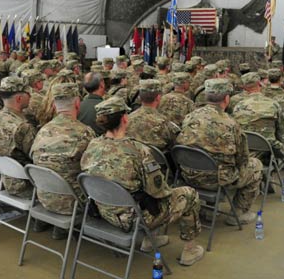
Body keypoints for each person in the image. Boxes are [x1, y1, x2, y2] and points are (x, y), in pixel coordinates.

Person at [81, 97, 204, 266]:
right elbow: (159, 191)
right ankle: (190, 250)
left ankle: (150, 239)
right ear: (125, 118)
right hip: (133, 218)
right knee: (188, 195)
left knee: (141, 195)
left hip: (104, 212)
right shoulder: (138, 151)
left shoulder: (92, 145)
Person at [176, 79, 263, 226]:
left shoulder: (189, 117)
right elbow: (243, 158)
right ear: (227, 98)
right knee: (256, 166)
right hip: (218, 180)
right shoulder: (231, 123)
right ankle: (239, 213)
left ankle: (208, 209)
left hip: (188, 175)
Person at [31, 83, 96, 239]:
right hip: (72, 204)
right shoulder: (85, 133)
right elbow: (94, 170)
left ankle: (52, 224)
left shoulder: (42, 131)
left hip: (44, 198)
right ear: (77, 103)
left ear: (53, 105)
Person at [0, 76, 37, 198]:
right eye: (28, 94)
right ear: (19, 98)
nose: (30, 97)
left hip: (4, 178)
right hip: (26, 184)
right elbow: (36, 158)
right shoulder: (23, 127)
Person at [232, 73, 284, 161]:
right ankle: (281, 162)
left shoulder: (238, 106)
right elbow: (283, 129)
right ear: (260, 84)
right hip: (270, 147)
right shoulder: (273, 104)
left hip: (247, 145)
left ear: (244, 88)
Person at [126, 80, 179, 151]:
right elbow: (176, 145)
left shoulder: (127, 119)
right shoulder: (164, 123)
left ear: (140, 98)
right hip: (156, 161)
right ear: (158, 97)